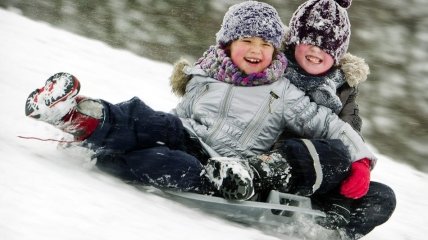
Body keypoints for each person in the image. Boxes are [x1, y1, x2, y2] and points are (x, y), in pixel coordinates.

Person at [25, 1, 382, 239]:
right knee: (145, 117)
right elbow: (179, 116)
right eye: (246, 40)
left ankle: (120, 156)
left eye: (265, 44)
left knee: (172, 164)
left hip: (227, 163)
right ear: (226, 43)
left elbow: (335, 128)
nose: (256, 50)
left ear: (276, 51)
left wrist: (361, 161)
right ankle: (79, 115)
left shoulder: (285, 90)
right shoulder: (207, 72)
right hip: (186, 132)